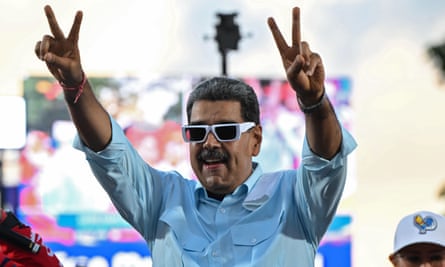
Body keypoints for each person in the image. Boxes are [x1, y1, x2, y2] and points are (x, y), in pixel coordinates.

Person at [34, 5, 357, 266]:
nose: (210, 143)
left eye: (226, 131)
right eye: (198, 132)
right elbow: (109, 154)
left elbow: (325, 161)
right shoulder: (162, 200)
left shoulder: (294, 199)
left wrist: (314, 102)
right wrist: (75, 85)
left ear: (255, 140)